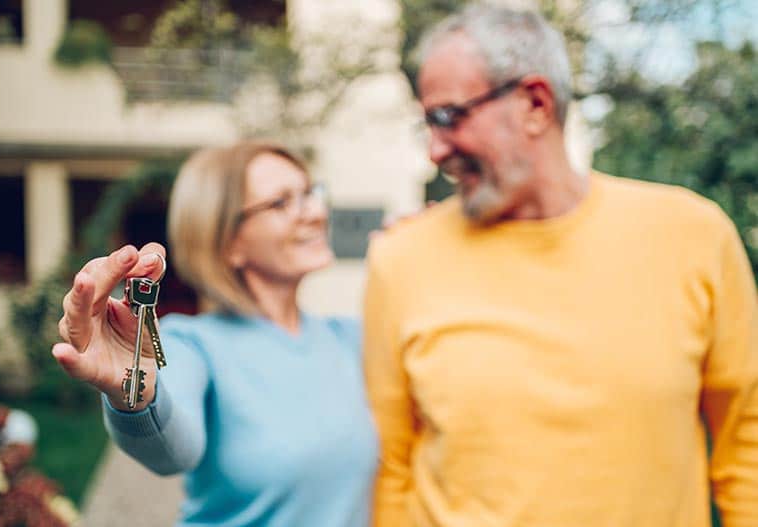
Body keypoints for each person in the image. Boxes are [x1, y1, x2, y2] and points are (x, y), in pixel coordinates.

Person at [363, 4, 758, 527]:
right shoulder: (402, 258)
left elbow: (747, 439)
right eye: (427, 125)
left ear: (534, 104)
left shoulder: (694, 235)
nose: (435, 150)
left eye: (449, 117)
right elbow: (391, 466)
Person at [52, 141, 378, 526]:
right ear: (228, 243)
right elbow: (173, 453)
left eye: (309, 193)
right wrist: (135, 397)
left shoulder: (350, 338)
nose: (316, 212)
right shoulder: (192, 345)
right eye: (281, 203)